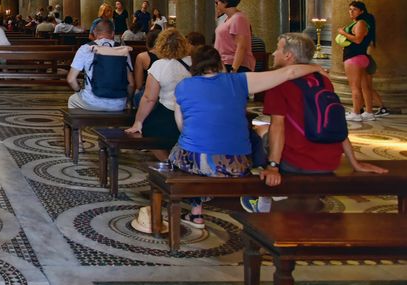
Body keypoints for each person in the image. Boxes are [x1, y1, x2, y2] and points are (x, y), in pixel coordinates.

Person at [167, 45, 325, 228]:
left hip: (195, 161)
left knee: (186, 151)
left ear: (194, 65)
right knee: (258, 134)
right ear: (219, 63)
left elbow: (181, 125)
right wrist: (316, 67)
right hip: (237, 163)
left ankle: (196, 213)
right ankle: (262, 185)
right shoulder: (239, 81)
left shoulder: (183, 86)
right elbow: (289, 73)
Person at [240, 33, 388, 213]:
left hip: (298, 162)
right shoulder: (322, 79)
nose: (274, 54)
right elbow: (334, 122)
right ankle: (304, 199)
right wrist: (354, 161)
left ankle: (263, 200)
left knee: (257, 134)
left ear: (288, 56)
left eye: (278, 49)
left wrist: (273, 167)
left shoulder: (280, 82)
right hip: (329, 160)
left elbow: (278, 128)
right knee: (265, 129)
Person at [125, 29, 192, 159]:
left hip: (168, 113)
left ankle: (167, 161)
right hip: (191, 113)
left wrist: (138, 122)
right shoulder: (192, 62)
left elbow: (149, 98)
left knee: (148, 129)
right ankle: (182, 159)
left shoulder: (159, 65)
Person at [65, 19, 134, 112]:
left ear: (94, 32)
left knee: (72, 100)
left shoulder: (85, 48)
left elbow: (71, 79)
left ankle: (75, 126)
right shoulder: (122, 50)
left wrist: (78, 91)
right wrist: (128, 100)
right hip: (118, 103)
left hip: (92, 100)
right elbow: (131, 84)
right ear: (113, 33)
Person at [336, 0, 377, 121]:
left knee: (355, 87)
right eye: (350, 9)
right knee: (365, 87)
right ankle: (369, 112)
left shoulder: (361, 23)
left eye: (354, 9)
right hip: (361, 57)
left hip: (354, 58)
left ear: (361, 11)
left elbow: (358, 40)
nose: (351, 12)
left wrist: (342, 32)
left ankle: (356, 113)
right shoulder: (361, 23)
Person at [213, 0, 256, 73]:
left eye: (217, 2)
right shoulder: (229, 18)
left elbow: (241, 46)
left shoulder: (238, 18)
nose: (216, 5)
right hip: (224, 62)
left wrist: (234, 68)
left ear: (225, 3)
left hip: (233, 63)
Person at [131, 29, 161, 108]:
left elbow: (139, 84)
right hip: (166, 93)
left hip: (149, 92)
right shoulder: (169, 56)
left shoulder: (142, 57)